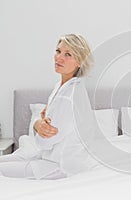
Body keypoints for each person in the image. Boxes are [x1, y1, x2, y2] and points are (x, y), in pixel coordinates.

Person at [0, 34, 99, 179]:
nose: (59, 58)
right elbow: (47, 127)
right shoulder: (61, 86)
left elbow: (44, 143)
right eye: (58, 51)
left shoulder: (68, 97)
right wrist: (41, 121)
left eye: (68, 54)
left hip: (61, 166)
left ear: (80, 62)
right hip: (49, 158)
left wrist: (36, 124)